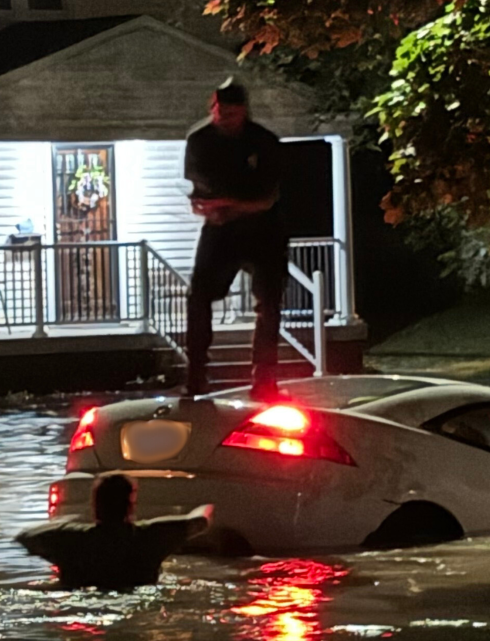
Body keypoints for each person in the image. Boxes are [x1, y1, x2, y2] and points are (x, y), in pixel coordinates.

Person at [184, 78, 288, 402]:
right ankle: (197, 373)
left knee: (268, 303)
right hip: (221, 230)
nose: (221, 117)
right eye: (216, 110)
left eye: (228, 112)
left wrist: (232, 206)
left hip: (263, 229)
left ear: (242, 111)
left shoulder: (264, 142)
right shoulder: (200, 141)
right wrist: (208, 208)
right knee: (199, 295)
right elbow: (198, 190)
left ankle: (265, 377)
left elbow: (268, 199)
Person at [16, 473, 213, 591]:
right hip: (135, 600)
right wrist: (206, 505)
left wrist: (64, 521)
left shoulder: (68, 538)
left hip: (81, 604)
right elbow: (200, 522)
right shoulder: (152, 537)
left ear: (95, 505)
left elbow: (24, 537)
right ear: (130, 506)